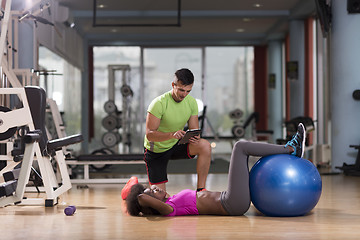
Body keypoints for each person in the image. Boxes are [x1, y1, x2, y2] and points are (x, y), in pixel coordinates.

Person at [125, 123, 306, 216]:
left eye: (153, 188)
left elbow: (146, 196)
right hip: (231, 203)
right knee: (240, 147)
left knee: (241, 150)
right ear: (150, 205)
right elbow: (142, 198)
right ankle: (290, 148)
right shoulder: (170, 209)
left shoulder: (172, 200)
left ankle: (289, 148)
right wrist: (136, 195)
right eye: (152, 192)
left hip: (231, 199)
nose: (155, 188)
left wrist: (140, 191)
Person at [143, 68, 211, 193]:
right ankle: (132, 187)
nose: (184, 94)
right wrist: (171, 135)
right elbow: (150, 135)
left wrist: (194, 136)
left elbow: (194, 129)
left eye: (188, 91)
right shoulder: (158, 103)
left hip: (176, 144)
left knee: (205, 146)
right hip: (156, 151)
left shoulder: (191, 103)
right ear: (173, 85)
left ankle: (201, 190)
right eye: (181, 90)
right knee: (160, 199)